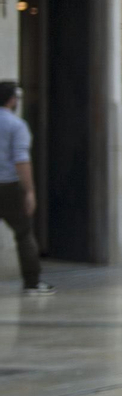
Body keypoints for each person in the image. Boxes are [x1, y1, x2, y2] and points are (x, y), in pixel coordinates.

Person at [0, 83, 50, 295]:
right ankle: (32, 283)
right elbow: (21, 160)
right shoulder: (16, 125)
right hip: (9, 187)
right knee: (23, 233)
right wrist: (29, 191)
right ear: (12, 100)